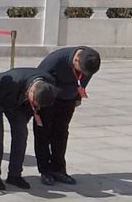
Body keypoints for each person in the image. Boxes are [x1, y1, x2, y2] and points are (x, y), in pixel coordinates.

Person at [0, 68, 57, 190]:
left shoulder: (49, 83)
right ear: (32, 91)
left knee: (21, 134)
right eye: (34, 102)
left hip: (16, 104)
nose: (37, 106)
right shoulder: (11, 82)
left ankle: (15, 175)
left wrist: (24, 119)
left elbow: (32, 107)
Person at [35, 46, 101, 186]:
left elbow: (84, 80)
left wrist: (78, 96)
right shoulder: (56, 59)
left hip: (68, 99)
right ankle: (45, 170)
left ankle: (59, 169)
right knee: (43, 133)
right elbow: (38, 78)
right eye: (81, 70)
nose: (83, 73)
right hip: (48, 100)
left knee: (61, 133)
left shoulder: (91, 59)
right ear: (76, 60)